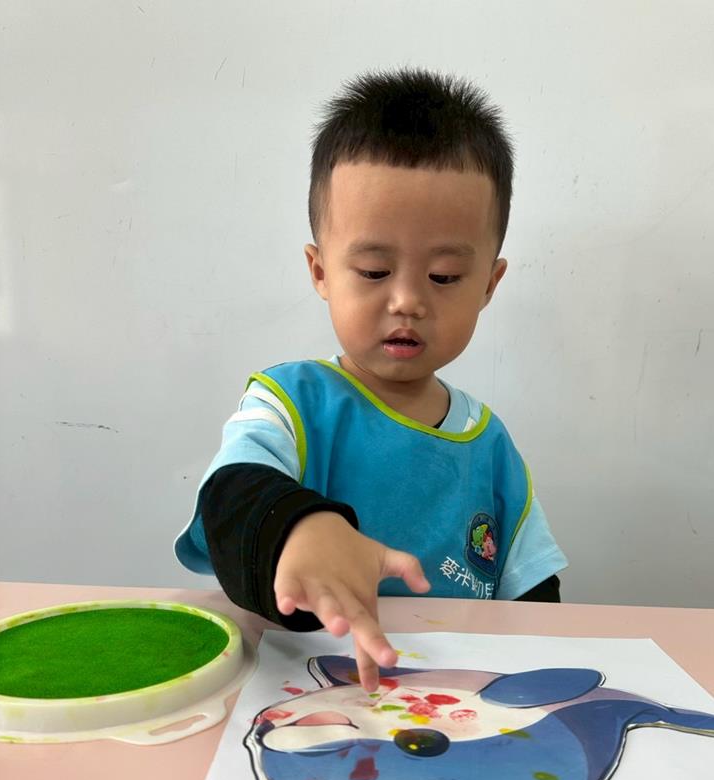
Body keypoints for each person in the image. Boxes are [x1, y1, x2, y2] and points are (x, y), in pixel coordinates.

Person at [174, 67, 568, 691]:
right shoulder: (291, 402)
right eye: (374, 271)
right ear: (321, 271)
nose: (407, 300)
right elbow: (230, 500)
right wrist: (300, 528)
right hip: (304, 689)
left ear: (489, 285)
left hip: (454, 699)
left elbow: (534, 593)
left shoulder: (489, 444)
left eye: (444, 276)